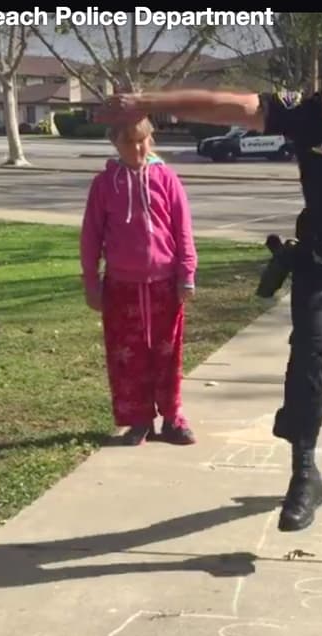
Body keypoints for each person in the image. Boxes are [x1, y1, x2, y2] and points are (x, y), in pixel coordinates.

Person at [96, 51, 322, 531]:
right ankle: (304, 475)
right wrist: (145, 101)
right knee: (308, 352)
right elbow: (227, 106)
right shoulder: (304, 114)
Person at [81, 113, 198, 446]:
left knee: (167, 352)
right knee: (127, 355)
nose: (136, 148)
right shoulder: (104, 185)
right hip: (121, 286)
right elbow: (91, 236)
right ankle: (139, 419)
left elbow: (183, 229)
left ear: (151, 138)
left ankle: (173, 418)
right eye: (128, 142)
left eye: (142, 139)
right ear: (114, 143)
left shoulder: (167, 179)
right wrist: (91, 281)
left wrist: (186, 273)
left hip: (164, 283)